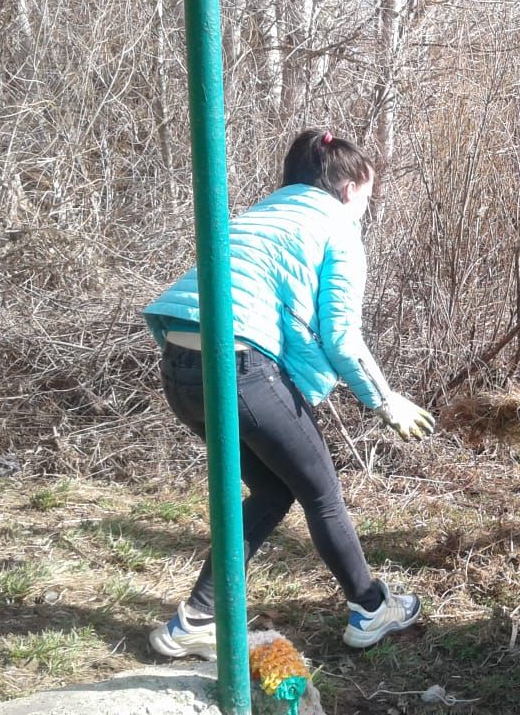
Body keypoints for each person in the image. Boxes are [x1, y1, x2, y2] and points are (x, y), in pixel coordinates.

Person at [142, 128, 435, 660]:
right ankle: (372, 608)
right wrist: (386, 401)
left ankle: (197, 620)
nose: (366, 206)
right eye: (367, 194)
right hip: (237, 366)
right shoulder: (336, 226)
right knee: (321, 493)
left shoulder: (261, 217)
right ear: (349, 188)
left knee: (276, 492)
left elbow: (280, 319)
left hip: (181, 368)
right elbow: (341, 337)